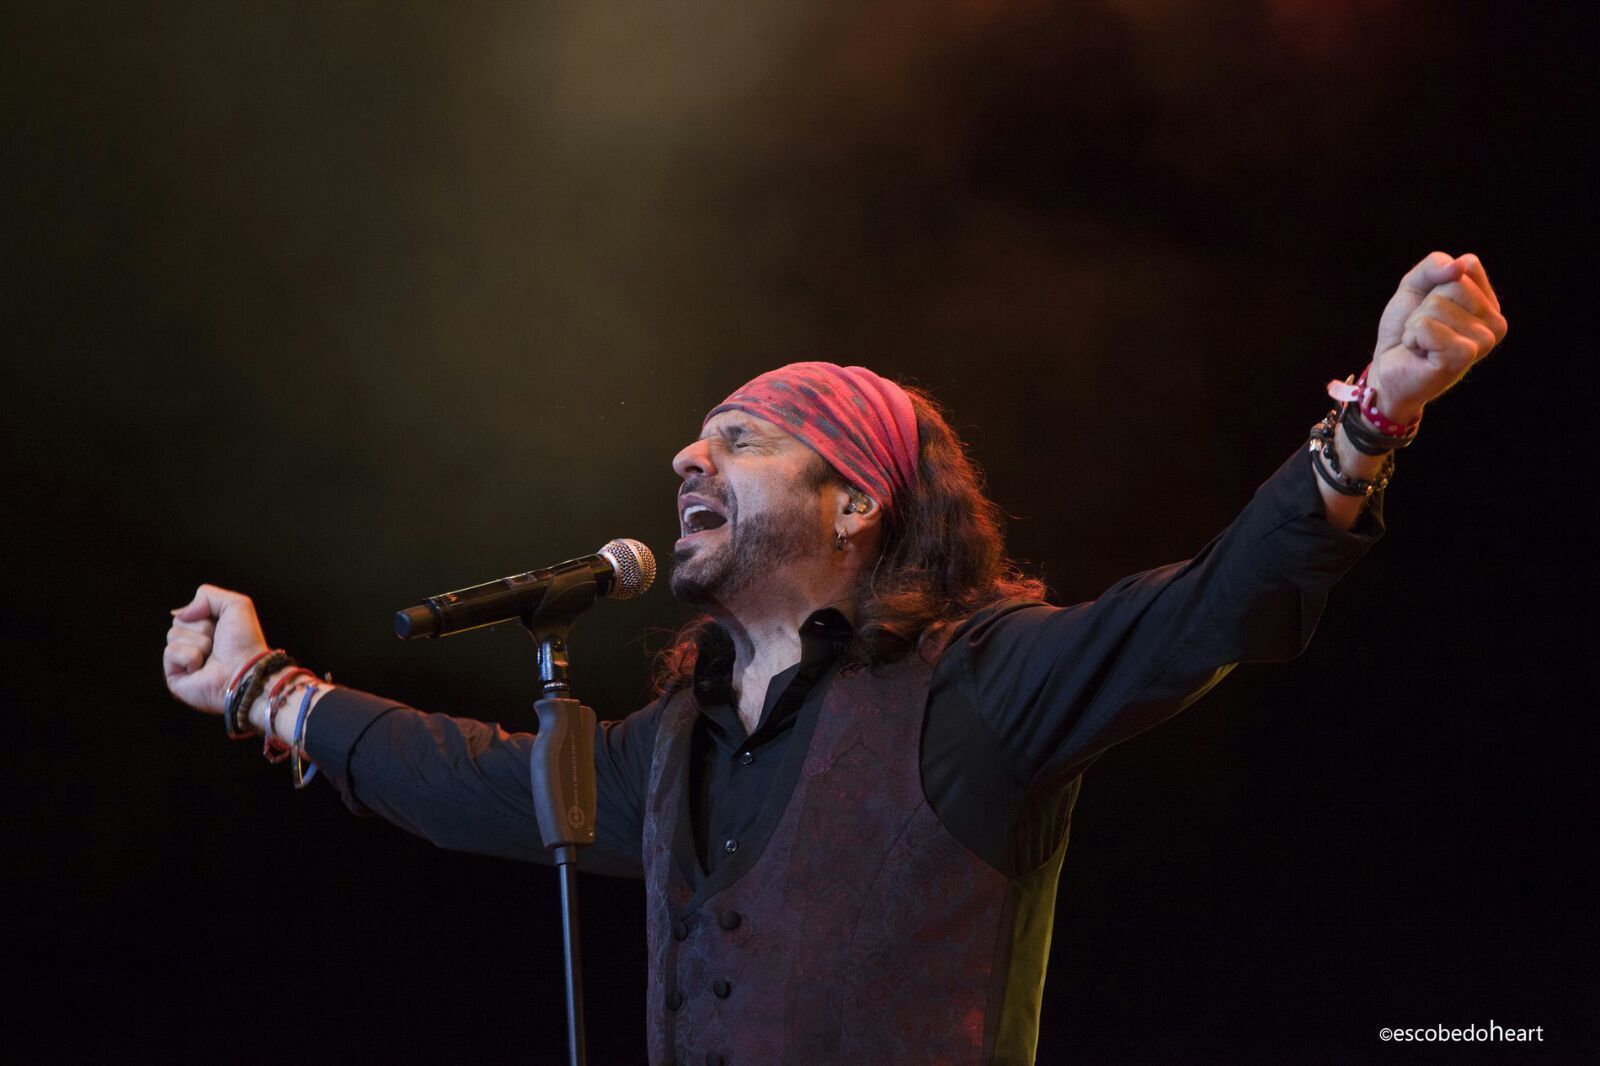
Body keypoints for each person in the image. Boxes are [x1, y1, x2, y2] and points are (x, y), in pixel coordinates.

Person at [164, 251, 1506, 1065]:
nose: (690, 454)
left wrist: (1375, 409)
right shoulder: (673, 738)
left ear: (857, 502)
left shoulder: (982, 687)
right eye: (698, 435)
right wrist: (259, 686)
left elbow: (1215, 605)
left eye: (743, 439)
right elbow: (473, 780)